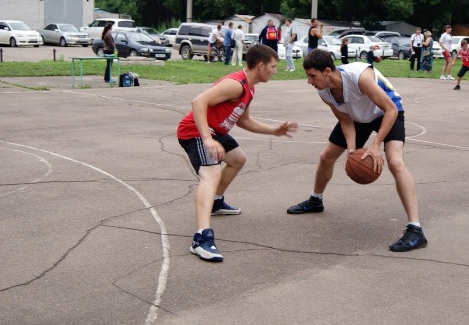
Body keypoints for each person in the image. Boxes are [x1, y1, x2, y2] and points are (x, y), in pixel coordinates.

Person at [286, 49, 428, 252]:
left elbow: (391, 110)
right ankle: (315, 200)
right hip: (357, 118)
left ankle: (415, 229)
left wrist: (375, 144)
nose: (309, 81)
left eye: (312, 75)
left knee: (395, 162)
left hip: (385, 112)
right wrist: (352, 150)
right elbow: (345, 119)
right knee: (326, 156)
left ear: (327, 71)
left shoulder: (360, 77)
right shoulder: (324, 91)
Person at [177, 44, 299, 262]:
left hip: (215, 131)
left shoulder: (249, 88)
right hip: (195, 131)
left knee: (238, 159)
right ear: (260, 66)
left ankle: (215, 202)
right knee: (211, 174)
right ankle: (201, 238)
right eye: (273, 66)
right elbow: (198, 102)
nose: (275, 70)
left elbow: (244, 120)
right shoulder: (236, 85)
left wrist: (275, 131)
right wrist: (207, 138)